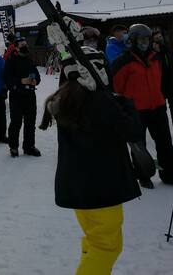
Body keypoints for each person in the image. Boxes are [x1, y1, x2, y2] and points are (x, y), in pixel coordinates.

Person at [40, 47, 143, 275]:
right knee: (107, 247)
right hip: (102, 189)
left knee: (95, 241)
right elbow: (133, 131)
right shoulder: (100, 101)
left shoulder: (65, 98)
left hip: (79, 187)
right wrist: (125, 103)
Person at [113, 24, 173, 189]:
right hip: (136, 110)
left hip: (158, 106)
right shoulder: (123, 61)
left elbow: (163, 80)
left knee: (165, 144)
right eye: (141, 39)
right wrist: (124, 107)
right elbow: (117, 87)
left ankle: (169, 175)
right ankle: (143, 176)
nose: (145, 42)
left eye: (147, 39)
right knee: (140, 146)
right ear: (133, 40)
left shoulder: (156, 58)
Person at [5, 38, 42, 157]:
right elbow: (7, 80)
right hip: (16, 95)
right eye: (22, 45)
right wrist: (21, 81)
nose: (25, 46)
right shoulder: (11, 60)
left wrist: (36, 80)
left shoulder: (29, 59)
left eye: (26, 44)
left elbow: (37, 75)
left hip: (30, 95)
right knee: (16, 122)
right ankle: (13, 147)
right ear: (16, 48)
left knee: (30, 122)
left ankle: (29, 146)